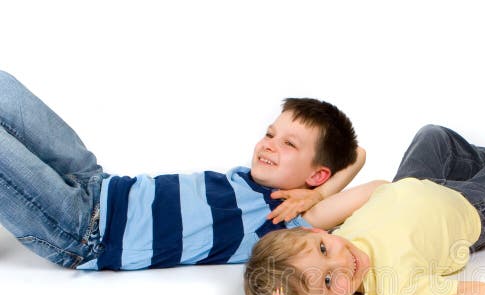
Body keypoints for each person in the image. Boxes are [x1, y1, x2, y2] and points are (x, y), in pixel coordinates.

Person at [0, 70, 365, 270]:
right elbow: (353, 157)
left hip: (84, 232)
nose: (269, 144)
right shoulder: (255, 181)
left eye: (289, 144)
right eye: (270, 133)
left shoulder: (286, 220)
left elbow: (365, 170)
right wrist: (316, 188)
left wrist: (317, 196)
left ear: (319, 173)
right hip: (99, 183)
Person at [243, 123, 485, 295]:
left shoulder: (339, 234)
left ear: (315, 232)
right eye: (330, 281)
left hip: (414, 183)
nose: (341, 260)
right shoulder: (397, 289)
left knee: (432, 135)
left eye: (323, 248)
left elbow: (380, 188)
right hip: (472, 208)